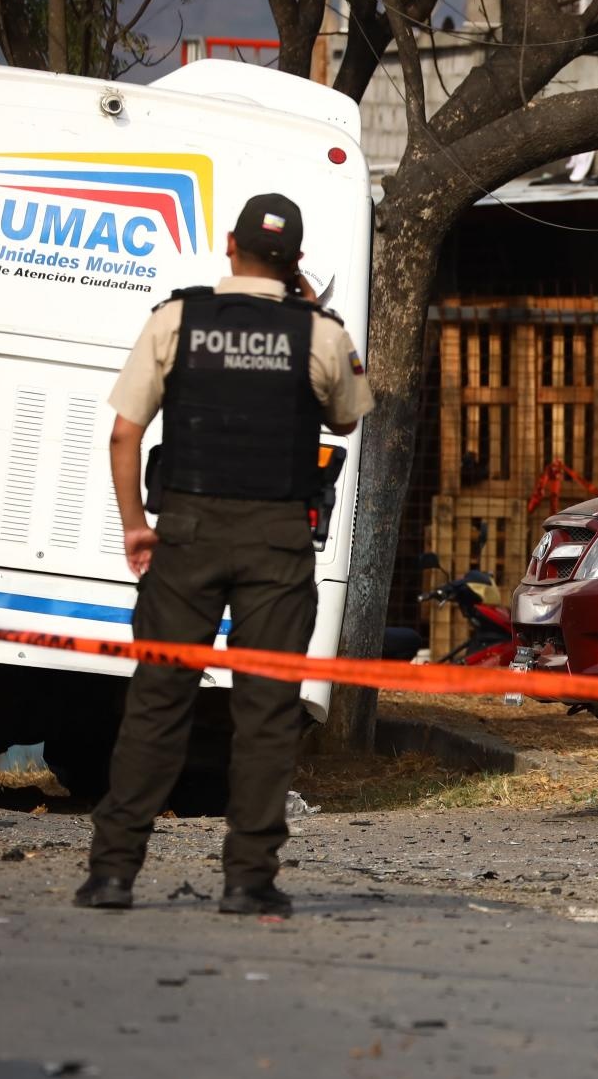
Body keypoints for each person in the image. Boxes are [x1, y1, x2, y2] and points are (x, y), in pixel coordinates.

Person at [73, 192, 374, 918]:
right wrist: (311, 309)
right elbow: (351, 410)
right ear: (296, 263)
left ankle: (112, 873)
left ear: (230, 246)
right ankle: (247, 881)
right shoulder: (320, 333)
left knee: (157, 705)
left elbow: (124, 434)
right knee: (267, 713)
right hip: (277, 541)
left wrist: (136, 524)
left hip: (187, 532)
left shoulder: (177, 318)